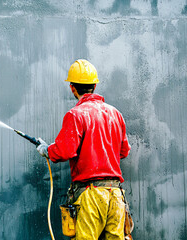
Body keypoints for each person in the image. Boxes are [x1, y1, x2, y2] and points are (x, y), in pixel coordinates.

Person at [36, 59, 131, 240]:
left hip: (90, 196)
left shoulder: (76, 115)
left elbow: (64, 151)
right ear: (95, 85)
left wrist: (47, 150)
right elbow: (124, 151)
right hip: (115, 195)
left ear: (72, 87)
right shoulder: (115, 114)